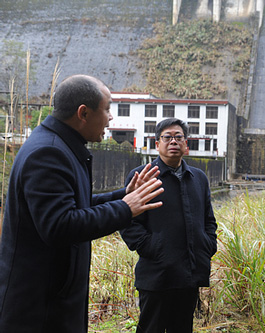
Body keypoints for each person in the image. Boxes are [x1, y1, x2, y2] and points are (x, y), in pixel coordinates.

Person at [0, 74, 164, 332]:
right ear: (83, 113)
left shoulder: (62, 146)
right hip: (37, 310)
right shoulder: (48, 153)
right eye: (107, 109)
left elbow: (77, 206)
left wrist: (124, 196)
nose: (111, 118)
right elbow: (60, 225)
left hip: (53, 301)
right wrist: (125, 208)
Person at [120, 118, 217, 333]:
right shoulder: (143, 177)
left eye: (178, 137)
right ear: (157, 144)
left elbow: (209, 219)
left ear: (186, 144)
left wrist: (208, 245)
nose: (173, 141)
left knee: (182, 328)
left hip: (189, 273)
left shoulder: (198, 178)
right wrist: (153, 248)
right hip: (156, 274)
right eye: (167, 137)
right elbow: (128, 222)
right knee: (151, 328)